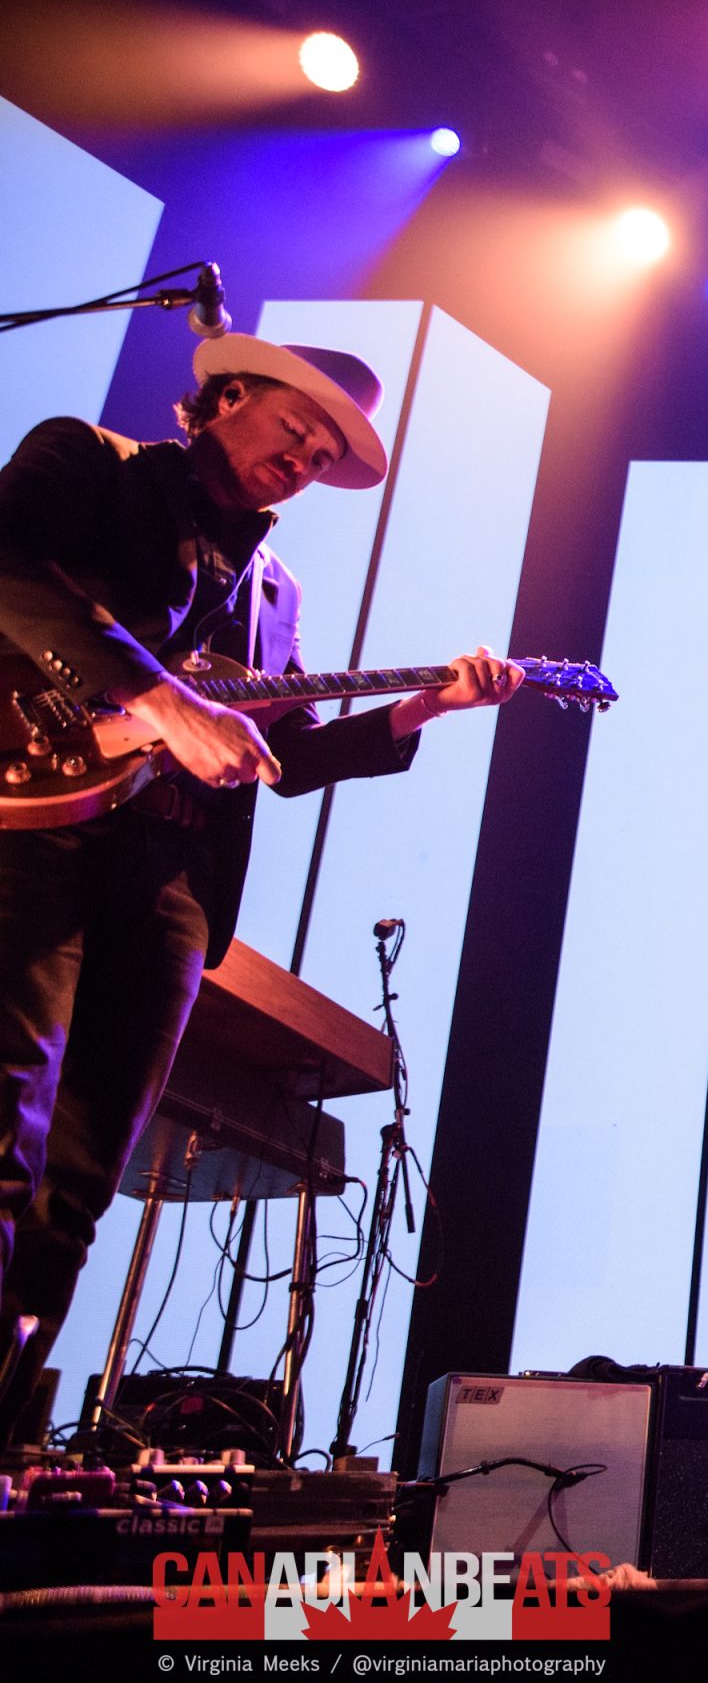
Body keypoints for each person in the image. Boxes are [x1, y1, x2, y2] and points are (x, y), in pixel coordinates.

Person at [0, 335, 522, 1438]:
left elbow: (285, 758)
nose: (306, 458)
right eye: (297, 427)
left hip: (168, 885)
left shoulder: (276, 593)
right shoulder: (90, 461)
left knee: (75, 1189)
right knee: (4, 1134)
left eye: (325, 454)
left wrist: (426, 706)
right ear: (227, 394)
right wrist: (162, 699)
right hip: (31, 831)